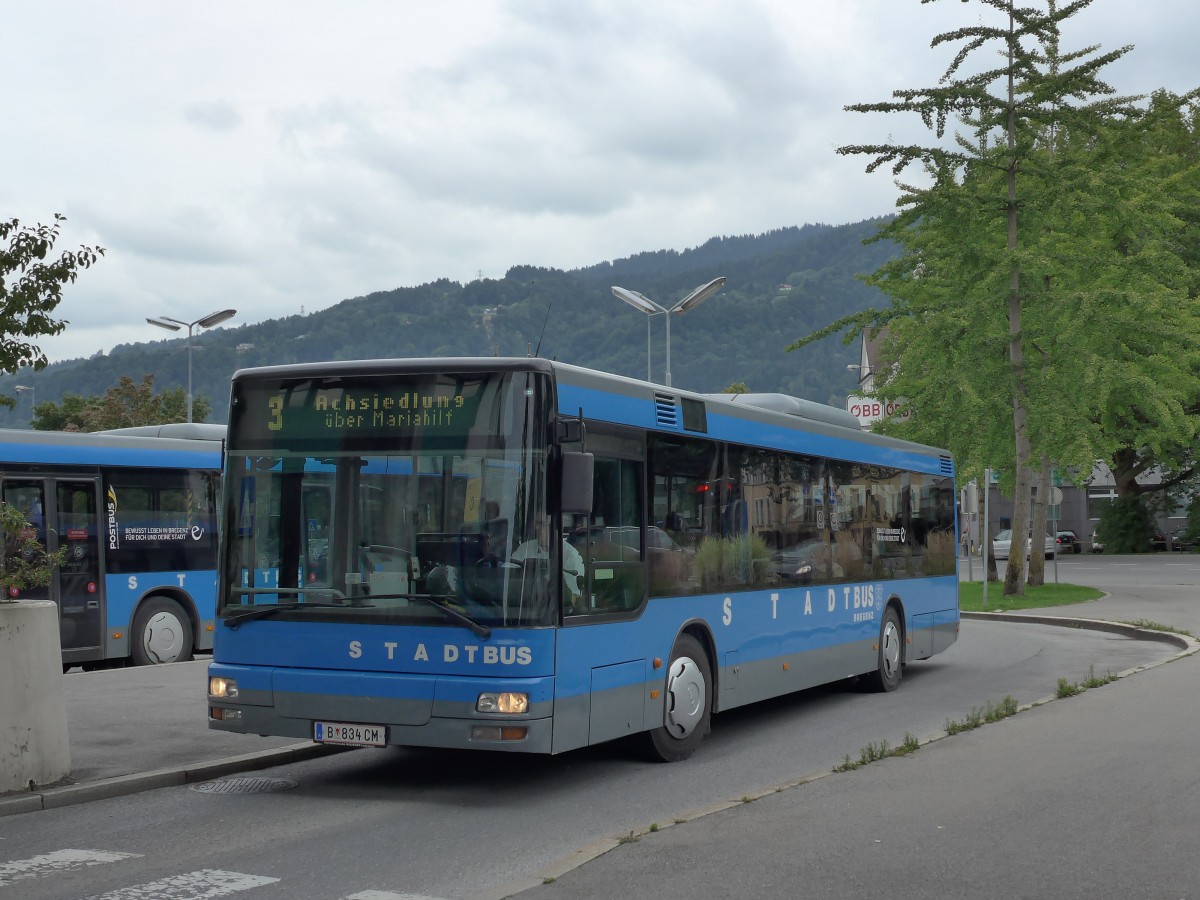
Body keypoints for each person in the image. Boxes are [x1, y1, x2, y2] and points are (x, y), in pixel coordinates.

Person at [512, 517, 585, 608]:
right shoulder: (525, 548)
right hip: (520, 606)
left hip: (553, 611)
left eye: (543, 525)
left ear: (555, 528)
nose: (538, 528)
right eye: (537, 524)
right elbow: (510, 571)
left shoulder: (570, 555)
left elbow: (573, 598)